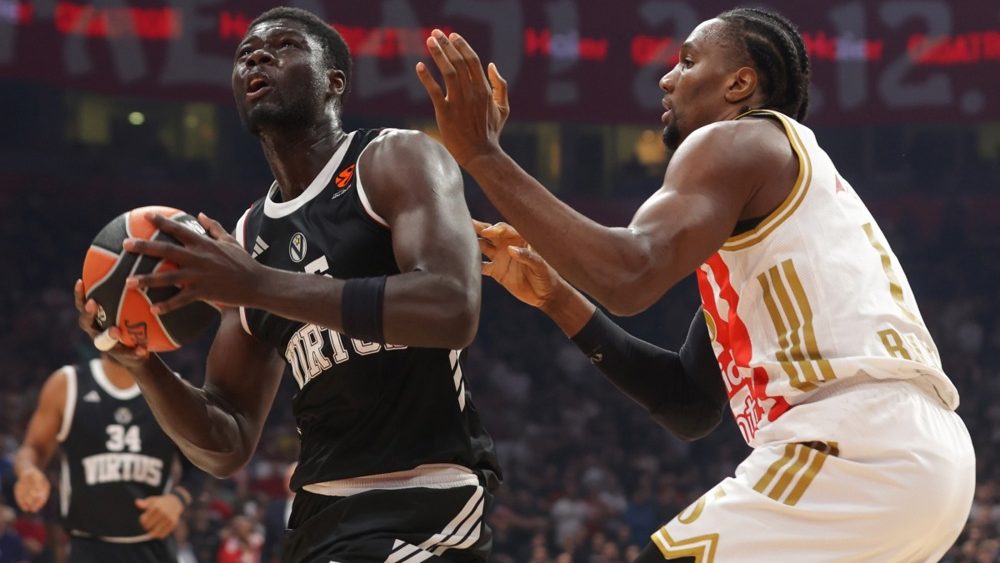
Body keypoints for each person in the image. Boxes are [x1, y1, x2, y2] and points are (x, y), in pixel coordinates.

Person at [417, 7, 975, 562]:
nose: (667, 78)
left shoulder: (738, 141)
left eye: (687, 61)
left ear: (739, 84)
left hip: (860, 447)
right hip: (925, 463)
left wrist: (482, 155)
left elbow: (629, 275)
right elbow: (690, 404)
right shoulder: (781, 222)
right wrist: (557, 297)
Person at [74, 6, 500, 562]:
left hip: (427, 498)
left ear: (333, 82)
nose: (257, 56)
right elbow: (227, 441)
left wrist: (257, 285)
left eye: (284, 47)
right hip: (317, 516)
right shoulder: (249, 238)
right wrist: (141, 364)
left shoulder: (395, 158)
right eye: (245, 54)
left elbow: (452, 307)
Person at [13, 353, 206, 562]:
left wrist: (178, 499)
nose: (121, 336)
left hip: (153, 546)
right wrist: (28, 470)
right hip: (86, 545)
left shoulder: (173, 389)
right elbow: (34, 447)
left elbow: (202, 462)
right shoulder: (67, 384)